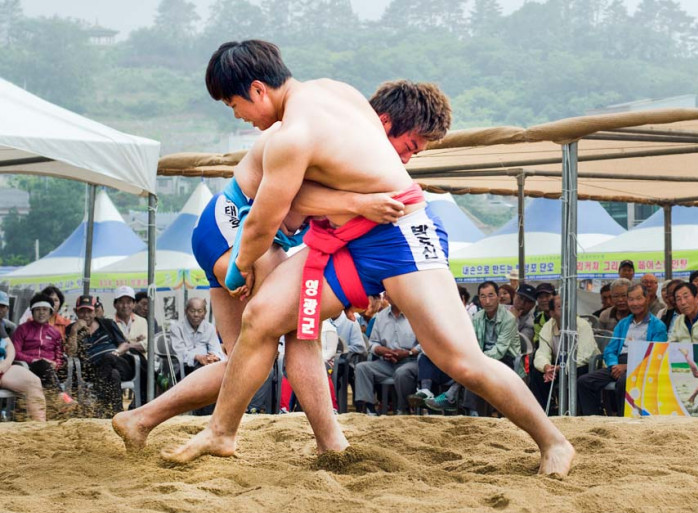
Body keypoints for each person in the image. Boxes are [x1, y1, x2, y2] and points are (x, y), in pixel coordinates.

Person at [163, 40, 573, 476]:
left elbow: (266, 221)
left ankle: (554, 442)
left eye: (235, 105)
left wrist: (240, 266)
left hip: (401, 232)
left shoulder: (291, 136)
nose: (238, 116)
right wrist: (354, 204)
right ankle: (223, 431)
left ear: (259, 89)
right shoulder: (334, 90)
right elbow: (312, 187)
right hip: (348, 238)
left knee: (461, 360)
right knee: (262, 317)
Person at [112, 72, 452, 454]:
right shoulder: (324, 135)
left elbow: (332, 235)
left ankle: (139, 419)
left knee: (243, 359)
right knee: (296, 331)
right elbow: (289, 206)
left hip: (228, 228)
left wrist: (362, 285)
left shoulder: (342, 145)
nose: (405, 158)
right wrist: (246, 262)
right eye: (408, 146)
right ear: (383, 124)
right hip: (242, 231)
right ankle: (328, 443)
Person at [427, 281, 521, 416]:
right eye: (483, 297)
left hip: (506, 360)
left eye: (491, 296)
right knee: (469, 366)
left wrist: (478, 359)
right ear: (479, 298)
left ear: (498, 297)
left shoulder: (509, 319)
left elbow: (500, 349)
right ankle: (468, 409)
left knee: (475, 368)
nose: (487, 301)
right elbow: (473, 343)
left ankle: (454, 399)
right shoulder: (477, 317)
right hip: (482, 359)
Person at [577, 283, 667, 416]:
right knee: (584, 382)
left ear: (647, 299)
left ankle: (622, 420)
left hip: (641, 366)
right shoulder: (623, 323)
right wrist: (614, 365)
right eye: (631, 299)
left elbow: (654, 354)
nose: (635, 303)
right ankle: (594, 418)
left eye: (638, 298)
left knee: (624, 382)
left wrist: (626, 367)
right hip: (618, 363)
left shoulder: (657, 326)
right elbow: (610, 350)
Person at [64, 295, 135, 416]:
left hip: (119, 362)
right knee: (113, 375)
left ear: (95, 311)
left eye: (89, 311)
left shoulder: (107, 324)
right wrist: (74, 331)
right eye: (82, 311)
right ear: (76, 312)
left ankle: (96, 398)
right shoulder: (71, 329)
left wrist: (115, 353)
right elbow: (70, 353)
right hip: (94, 370)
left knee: (109, 358)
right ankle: (115, 414)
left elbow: (124, 344)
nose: (86, 315)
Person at [530, 293, 598, 413]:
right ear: (551, 313)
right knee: (537, 374)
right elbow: (541, 353)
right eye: (560, 307)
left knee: (580, 372)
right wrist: (546, 367)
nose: (566, 309)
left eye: (567, 305)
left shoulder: (582, 325)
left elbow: (584, 356)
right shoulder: (548, 326)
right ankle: (543, 414)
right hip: (558, 368)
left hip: (581, 366)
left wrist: (560, 368)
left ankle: (580, 413)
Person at [353, 295, 421, 415]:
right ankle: (369, 408)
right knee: (362, 368)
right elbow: (373, 342)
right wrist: (381, 350)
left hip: (411, 361)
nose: (387, 296)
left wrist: (408, 352)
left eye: (391, 292)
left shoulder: (415, 314)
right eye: (387, 293)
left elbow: (425, 344)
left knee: (402, 373)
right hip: (387, 362)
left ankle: (403, 409)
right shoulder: (381, 316)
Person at [11, 293, 67, 394]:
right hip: (27, 367)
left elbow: (59, 355)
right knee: (42, 364)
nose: (41, 313)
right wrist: (34, 360)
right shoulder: (22, 329)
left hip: (50, 371)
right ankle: (61, 397)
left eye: (45, 309)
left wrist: (56, 364)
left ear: (50, 312)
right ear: (32, 312)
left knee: (54, 366)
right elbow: (15, 352)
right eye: (37, 309)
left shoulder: (55, 333)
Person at [0, 320, 46, 421]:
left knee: (33, 382)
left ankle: (40, 428)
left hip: (2, 368)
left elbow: (10, 346)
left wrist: (6, 363)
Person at [169, 298, 223, 377]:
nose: (196, 314)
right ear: (186, 311)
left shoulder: (209, 328)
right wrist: (197, 357)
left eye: (200, 311)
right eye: (192, 311)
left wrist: (213, 357)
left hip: (205, 366)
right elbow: (179, 353)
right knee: (202, 371)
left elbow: (216, 349)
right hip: (183, 367)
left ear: (205, 312)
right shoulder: (176, 328)